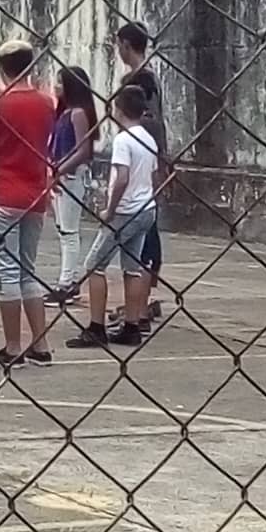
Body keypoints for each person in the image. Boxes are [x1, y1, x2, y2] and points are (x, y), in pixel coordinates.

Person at [0, 40, 56, 369]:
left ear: (2, 68)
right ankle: (41, 344)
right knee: (27, 269)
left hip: (6, 192)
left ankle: (12, 347)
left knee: (6, 270)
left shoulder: (3, 104)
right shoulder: (46, 102)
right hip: (36, 191)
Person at [66, 85, 159, 348]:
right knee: (133, 267)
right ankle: (132, 324)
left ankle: (96, 327)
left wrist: (111, 209)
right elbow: (152, 174)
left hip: (126, 210)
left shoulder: (123, 139)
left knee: (94, 265)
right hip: (145, 208)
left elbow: (122, 179)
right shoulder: (148, 138)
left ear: (118, 109)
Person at [112, 22, 168, 333]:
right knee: (146, 228)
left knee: (142, 232)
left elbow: (149, 124)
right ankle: (138, 304)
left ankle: (140, 306)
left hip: (140, 161)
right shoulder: (151, 77)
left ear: (125, 44)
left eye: (118, 44)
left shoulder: (139, 81)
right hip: (149, 158)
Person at [46, 66, 99, 307]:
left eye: (60, 83)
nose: (55, 87)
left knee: (69, 232)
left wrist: (60, 170)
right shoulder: (64, 112)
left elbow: (83, 150)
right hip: (62, 175)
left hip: (72, 177)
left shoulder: (78, 113)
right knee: (63, 230)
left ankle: (67, 283)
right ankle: (67, 279)